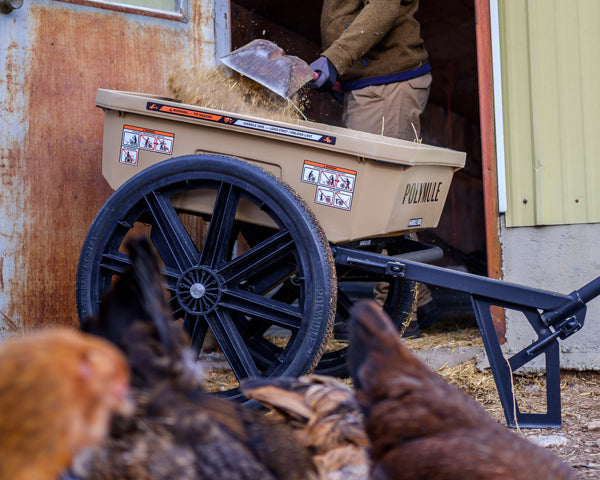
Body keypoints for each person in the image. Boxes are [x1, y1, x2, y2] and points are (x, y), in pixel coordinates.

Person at [309, 0, 438, 337]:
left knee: (382, 201)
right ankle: (418, 300)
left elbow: (382, 7)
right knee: (384, 198)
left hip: (387, 85)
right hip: (372, 83)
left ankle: (395, 315)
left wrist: (334, 60)